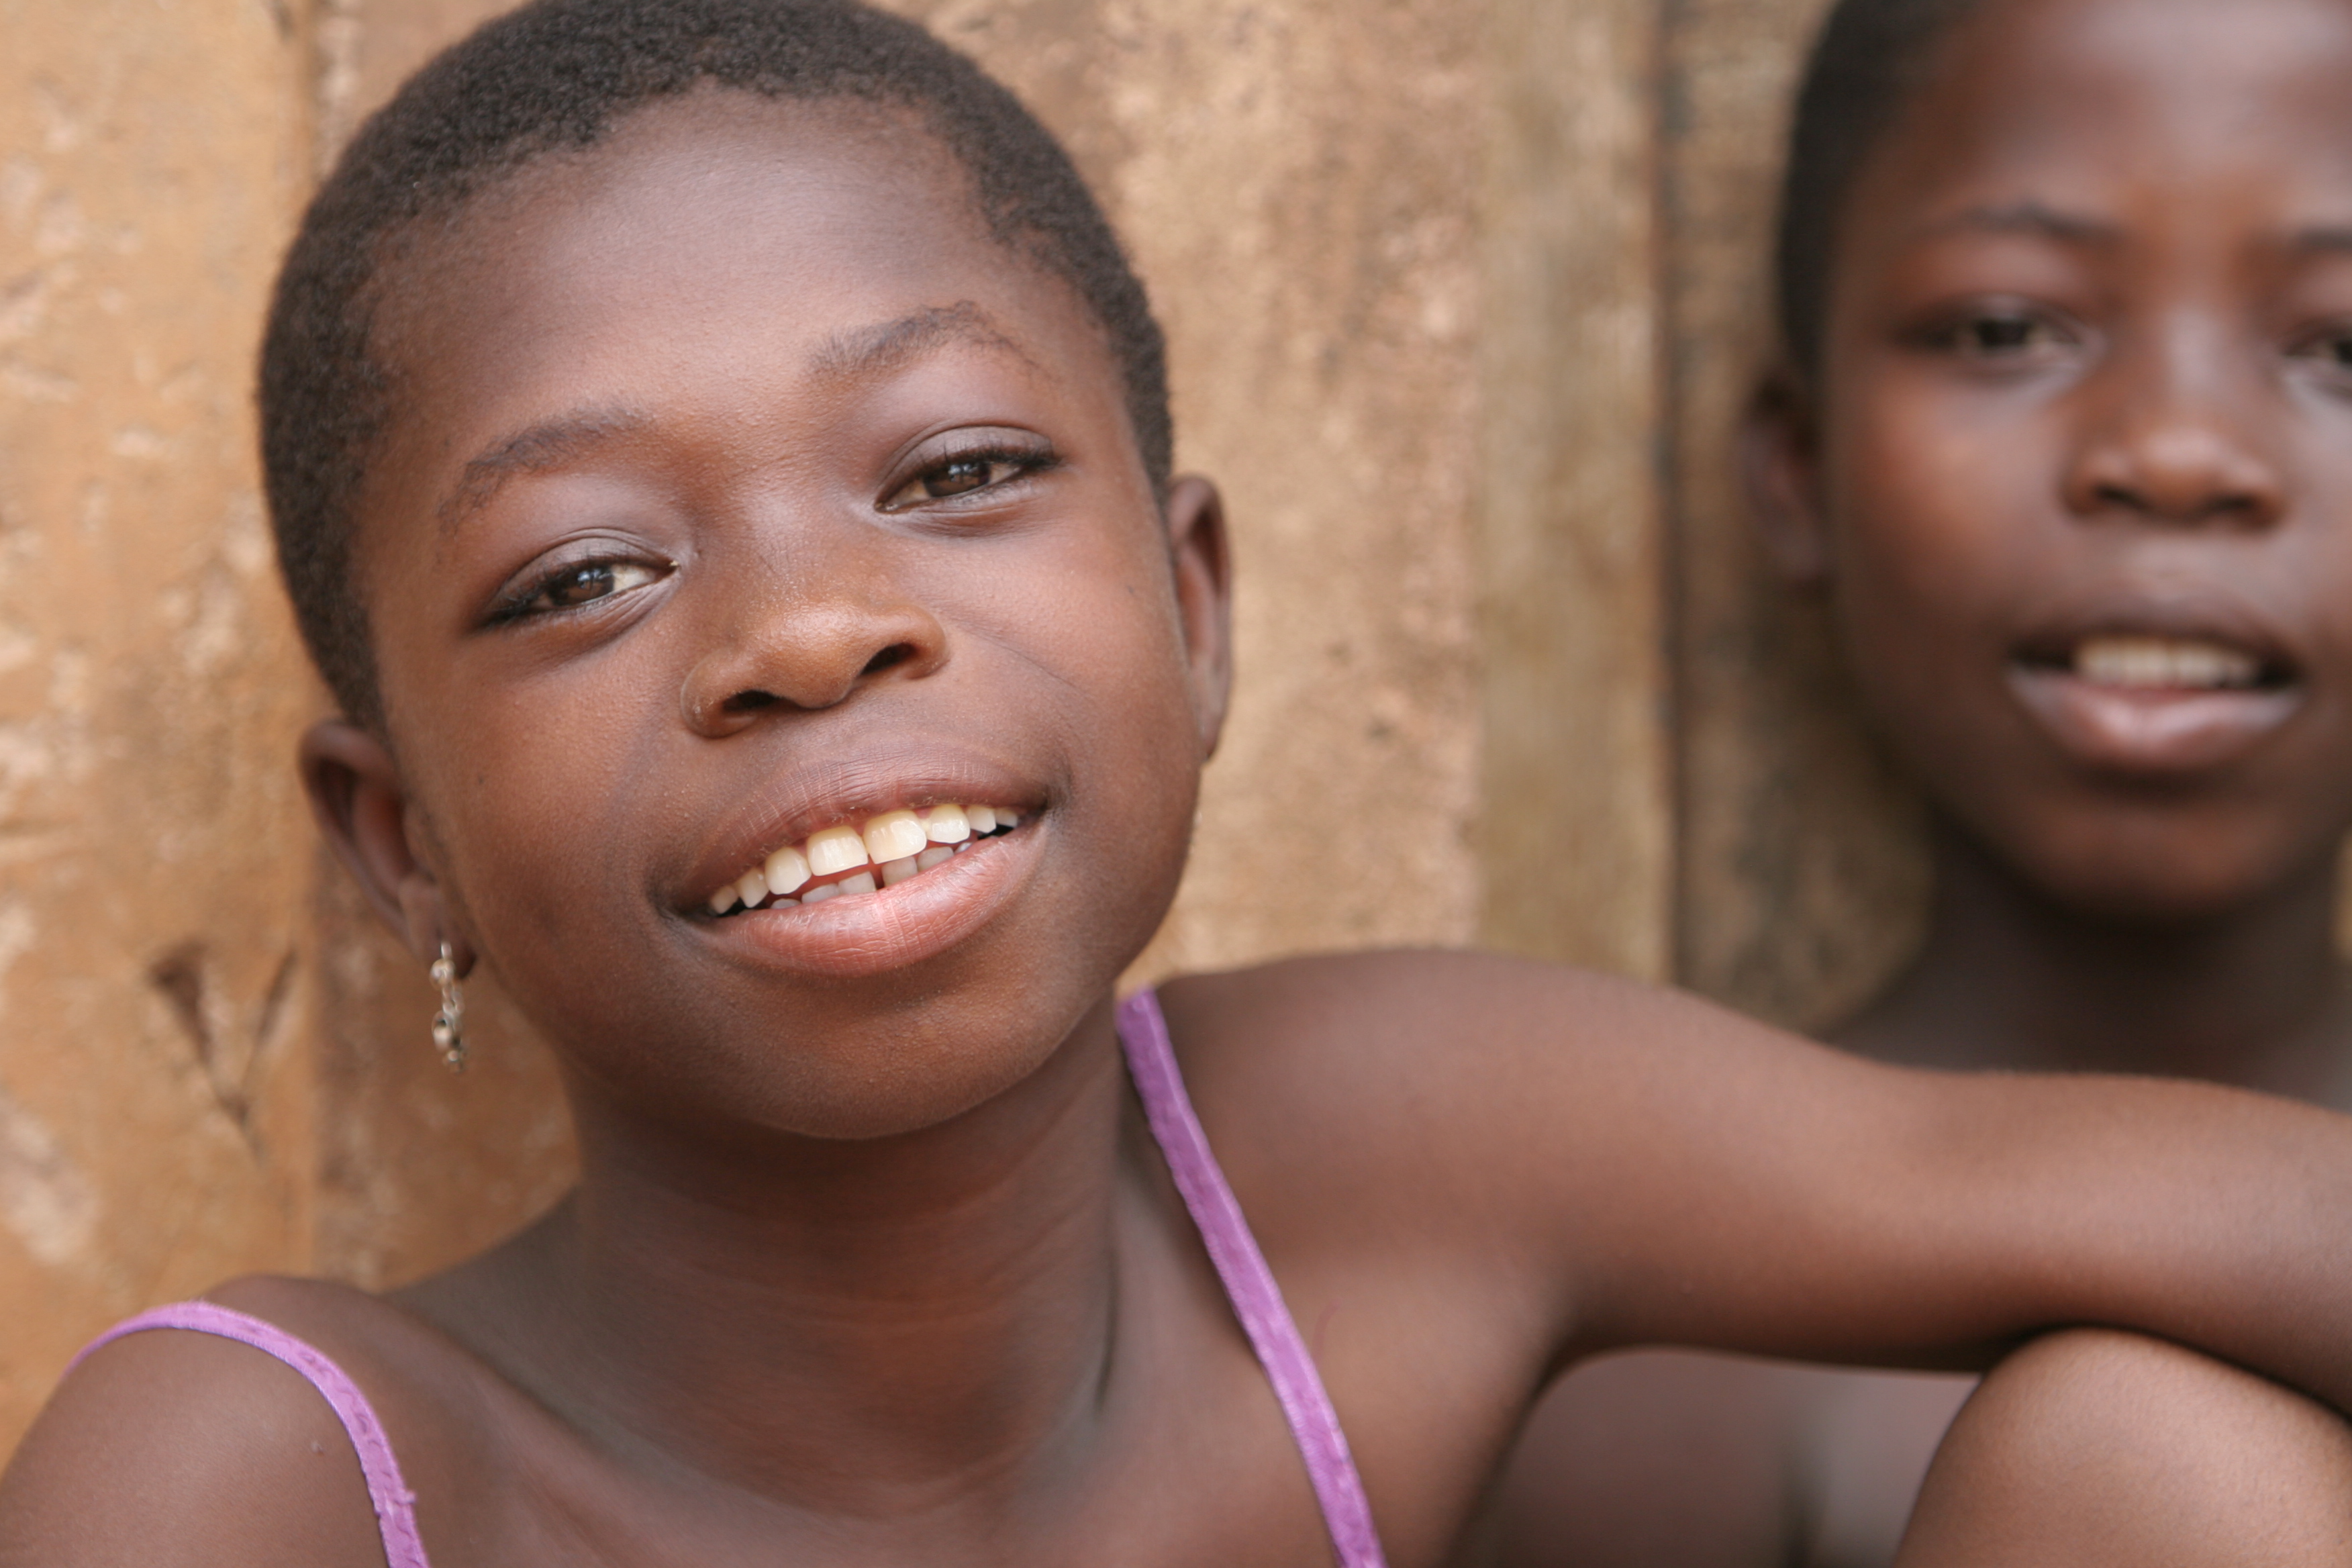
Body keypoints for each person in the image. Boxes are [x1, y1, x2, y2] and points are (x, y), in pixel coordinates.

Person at [5, 3, 2352, 1563]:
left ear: (1198, 603)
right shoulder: (286, 1471)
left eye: (953, 468)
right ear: (400, 833)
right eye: (587, 573)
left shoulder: (1366, 1166)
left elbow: (2203, 1211)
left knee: (2153, 1468)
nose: (812, 630)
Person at [1495, 0, 2352, 1561]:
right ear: (1801, 468)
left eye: (2343, 347)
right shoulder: (1634, 1384)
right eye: (2006, 330)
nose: (2175, 452)